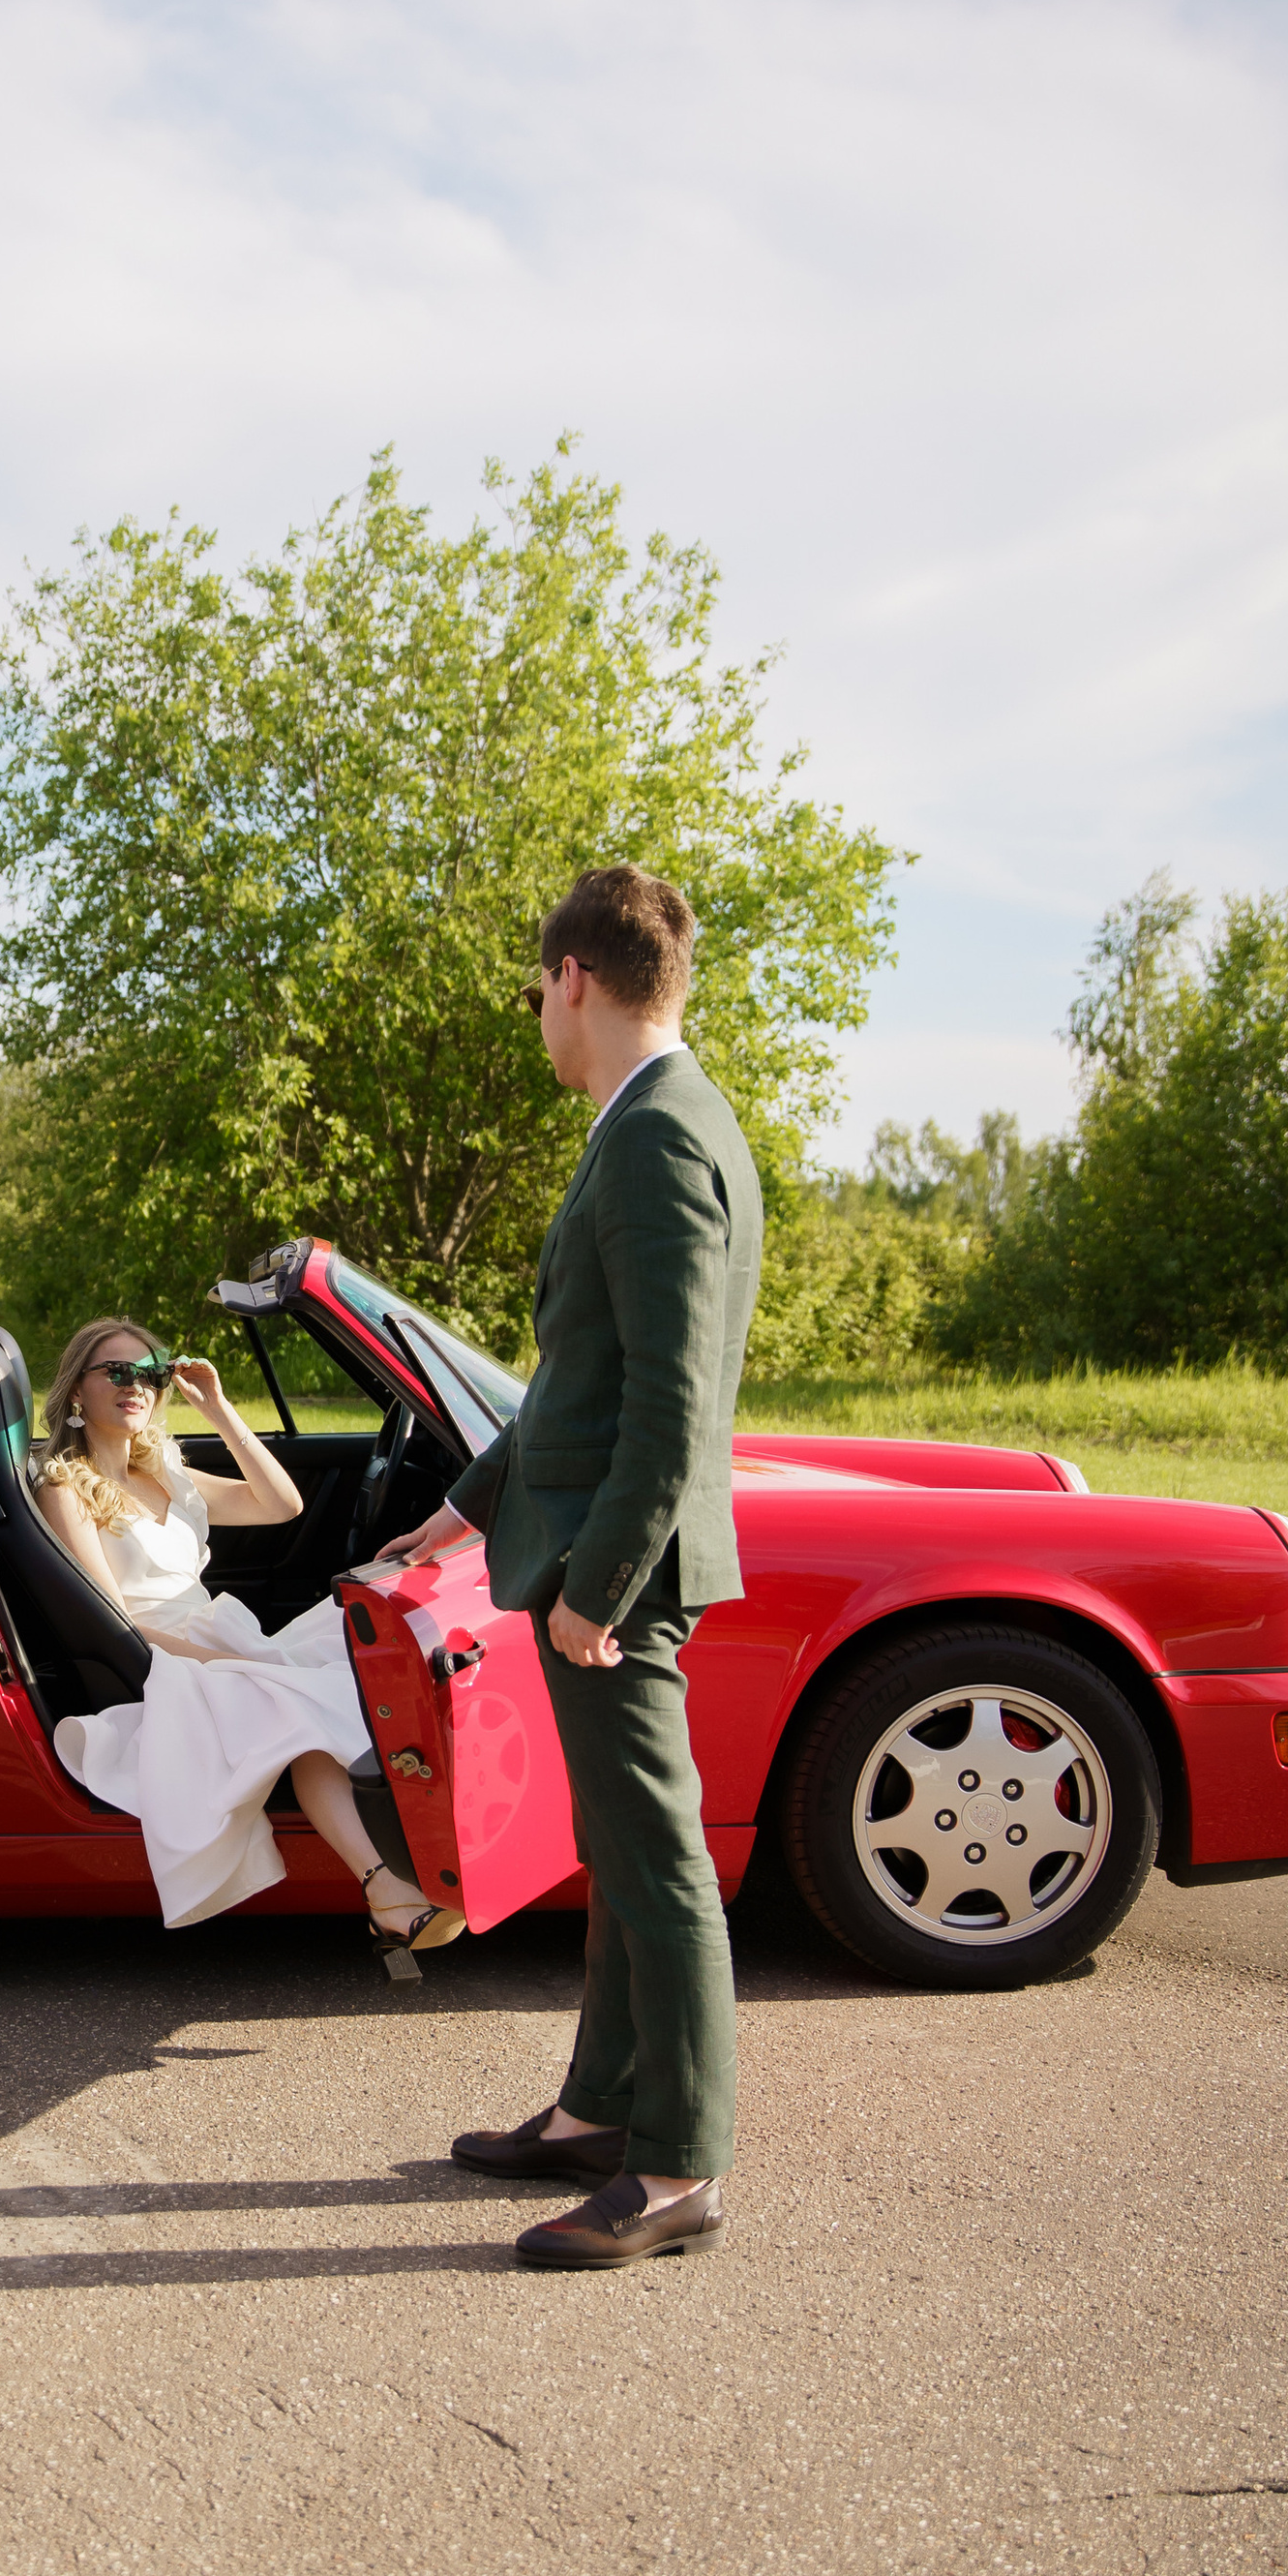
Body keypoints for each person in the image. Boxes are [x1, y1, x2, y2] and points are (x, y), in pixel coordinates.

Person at [379, 862, 763, 2268]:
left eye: (539, 989)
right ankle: (601, 2110)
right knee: (620, 1846)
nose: (540, 1014)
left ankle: (677, 2168)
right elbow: (577, 1379)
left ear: (576, 980)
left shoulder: (657, 1136)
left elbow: (671, 1402)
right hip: (604, 1552)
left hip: (623, 1576)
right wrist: (467, 1507)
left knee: (658, 1863)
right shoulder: (654, 1119)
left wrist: (597, 1588)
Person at [35, 1318, 462, 1954]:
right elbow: (114, 1620)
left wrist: (219, 1409)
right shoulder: (65, 1489)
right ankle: (387, 1887)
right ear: (76, 1390)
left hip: (219, 1641)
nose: (136, 1385)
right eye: (116, 1371)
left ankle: (413, 1869)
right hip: (162, 1664)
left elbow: (281, 1505)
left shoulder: (165, 1471)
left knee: (362, 1633)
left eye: (151, 1373)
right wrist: (225, 1663)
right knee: (301, 1709)